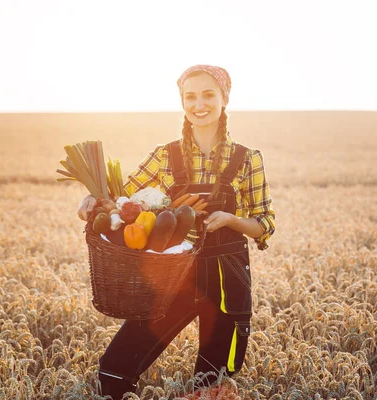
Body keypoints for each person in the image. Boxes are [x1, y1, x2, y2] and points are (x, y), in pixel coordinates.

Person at [77, 64, 276, 399]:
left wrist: (230, 219)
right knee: (114, 370)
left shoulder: (246, 159)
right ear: (182, 102)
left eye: (209, 94)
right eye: (191, 96)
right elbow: (121, 199)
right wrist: (93, 198)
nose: (200, 104)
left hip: (226, 281)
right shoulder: (165, 155)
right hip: (172, 276)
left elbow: (264, 224)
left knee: (212, 387)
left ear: (224, 98)